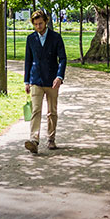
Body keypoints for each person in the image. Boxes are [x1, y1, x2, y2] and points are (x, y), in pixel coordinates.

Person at [24, 9, 66, 153]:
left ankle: (51, 139)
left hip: (52, 80)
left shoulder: (56, 37)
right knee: (36, 110)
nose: (38, 27)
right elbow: (28, 61)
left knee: (52, 111)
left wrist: (59, 77)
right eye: (35, 24)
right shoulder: (31, 39)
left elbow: (63, 58)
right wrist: (26, 81)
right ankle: (34, 140)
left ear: (46, 22)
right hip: (36, 79)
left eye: (40, 23)